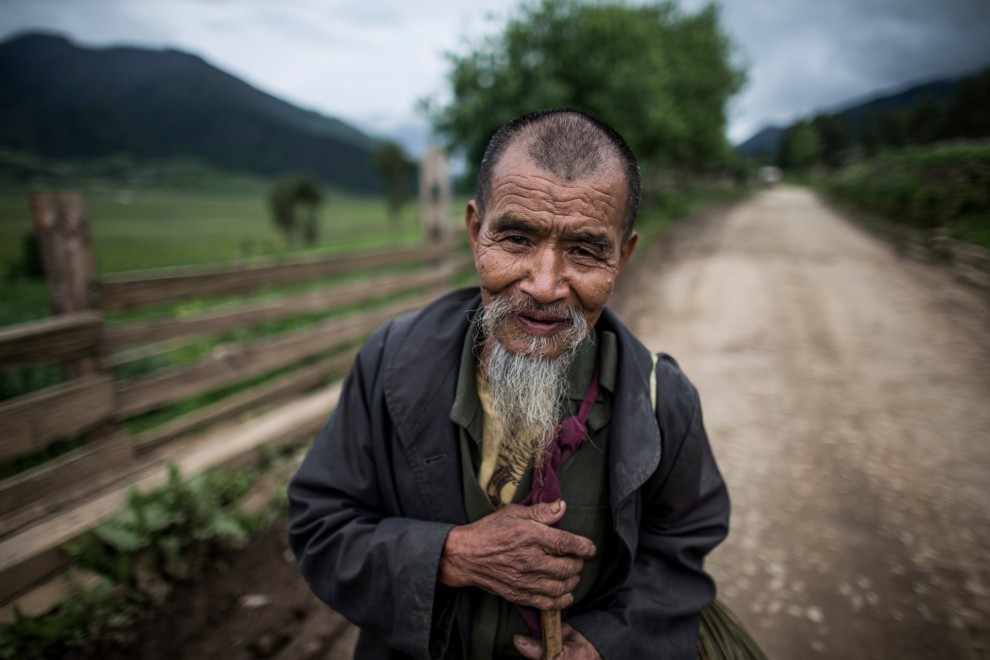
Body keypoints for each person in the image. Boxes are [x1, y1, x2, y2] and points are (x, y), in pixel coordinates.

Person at [288, 108, 730, 660]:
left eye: (585, 251)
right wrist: (452, 555)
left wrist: (609, 642)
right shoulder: (391, 361)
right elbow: (320, 526)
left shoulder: (663, 399)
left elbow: (681, 550)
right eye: (517, 238)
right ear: (476, 232)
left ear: (624, 255)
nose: (545, 286)